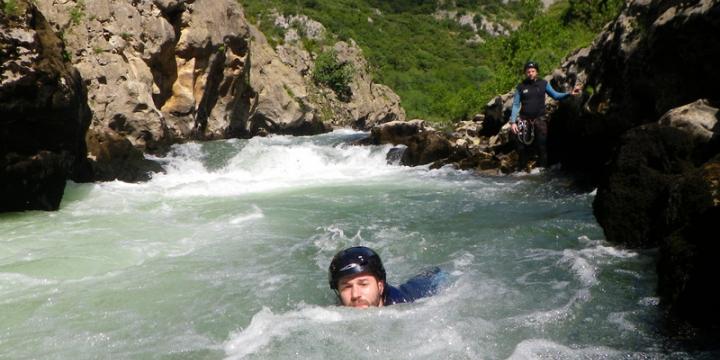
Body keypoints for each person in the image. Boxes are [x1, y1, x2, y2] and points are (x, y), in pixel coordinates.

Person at [509, 61, 581, 171]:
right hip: (524, 120)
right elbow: (515, 104)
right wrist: (513, 122)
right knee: (521, 147)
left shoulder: (543, 83)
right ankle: (521, 170)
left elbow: (556, 95)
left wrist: (569, 93)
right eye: (528, 71)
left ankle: (543, 171)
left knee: (542, 146)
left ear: (537, 72)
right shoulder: (520, 87)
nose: (530, 73)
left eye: (533, 71)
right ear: (525, 73)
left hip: (540, 120)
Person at [328, 246, 445, 308]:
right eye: (347, 287)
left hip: (429, 281)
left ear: (380, 286)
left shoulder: (404, 306)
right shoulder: (336, 310)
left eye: (363, 284)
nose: (355, 295)